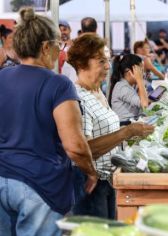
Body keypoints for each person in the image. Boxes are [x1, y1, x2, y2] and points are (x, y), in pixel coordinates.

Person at [0, 8, 98, 235]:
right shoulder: (58, 84)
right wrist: (90, 171)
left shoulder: (2, 77)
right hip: (40, 186)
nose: (60, 49)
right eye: (59, 43)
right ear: (45, 47)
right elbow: (74, 146)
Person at [67, 33, 154, 219]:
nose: (108, 66)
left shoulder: (98, 92)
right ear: (82, 64)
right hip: (90, 182)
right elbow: (86, 148)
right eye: (101, 61)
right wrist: (126, 132)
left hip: (107, 179)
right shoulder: (79, 98)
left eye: (107, 60)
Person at [109, 54, 149, 125]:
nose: (143, 74)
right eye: (141, 71)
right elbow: (145, 105)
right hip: (125, 127)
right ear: (129, 71)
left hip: (132, 123)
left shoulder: (130, 85)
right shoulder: (122, 87)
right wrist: (140, 80)